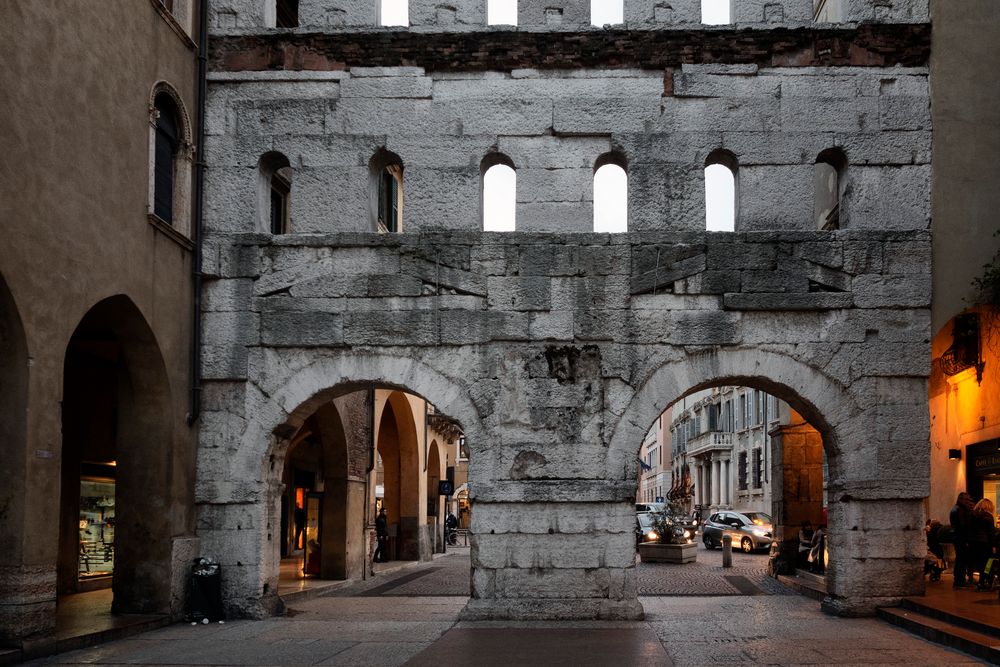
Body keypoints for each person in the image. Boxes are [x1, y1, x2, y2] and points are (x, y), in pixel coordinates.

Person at [950, 492, 976, 587]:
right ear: (961, 499)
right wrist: (967, 539)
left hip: (958, 537)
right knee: (962, 560)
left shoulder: (955, 508)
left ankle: (958, 580)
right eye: (966, 499)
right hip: (961, 538)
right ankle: (960, 581)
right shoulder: (960, 509)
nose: (968, 501)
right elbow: (963, 526)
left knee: (960, 559)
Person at [970, 498, 997, 591]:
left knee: (980, 564)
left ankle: (981, 583)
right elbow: (991, 533)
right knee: (988, 564)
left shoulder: (973, 515)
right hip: (985, 544)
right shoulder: (988, 517)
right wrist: (993, 545)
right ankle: (987, 581)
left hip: (974, 543)